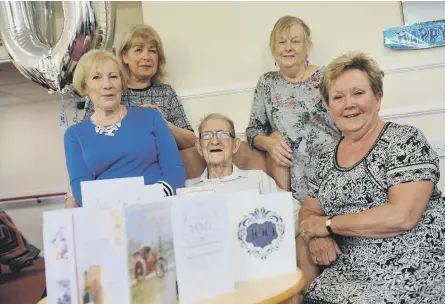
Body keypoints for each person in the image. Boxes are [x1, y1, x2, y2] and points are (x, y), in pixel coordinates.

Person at [297, 52, 445, 303]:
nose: (349, 104)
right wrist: (315, 235)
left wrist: (328, 225)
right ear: (328, 106)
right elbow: (308, 212)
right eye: (338, 97)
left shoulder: (404, 141)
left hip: (410, 270)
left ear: (377, 97)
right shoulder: (323, 159)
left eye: (358, 93)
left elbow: (402, 216)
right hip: (347, 275)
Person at [66, 24, 194, 207]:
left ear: (122, 82)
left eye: (113, 77)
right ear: (84, 87)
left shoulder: (152, 117)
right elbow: (80, 187)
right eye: (96, 78)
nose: (107, 85)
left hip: (157, 208)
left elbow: (174, 170)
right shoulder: (74, 135)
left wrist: (148, 199)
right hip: (106, 215)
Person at [245, 15, 340, 211]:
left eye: (295, 41)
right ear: (274, 48)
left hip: (334, 172)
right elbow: (253, 130)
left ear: (306, 46)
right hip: (293, 184)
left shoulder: (326, 77)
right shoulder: (267, 83)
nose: (288, 48)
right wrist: (270, 143)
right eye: (282, 42)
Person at [183, 113, 300, 235]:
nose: (215, 141)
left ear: (235, 145)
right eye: (207, 135)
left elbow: (295, 212)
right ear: (199, 147)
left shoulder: (257, 179)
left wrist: (272, 235)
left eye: (223, 134)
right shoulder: (187, 190)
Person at [84, 24, 196, 150]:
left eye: (152, 51)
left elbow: (192, 141)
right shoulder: (109, 92)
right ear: (124, 56)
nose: (146, 57)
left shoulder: (166, 92)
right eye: (138, 50)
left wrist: (163, 124)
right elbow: (87, 140)